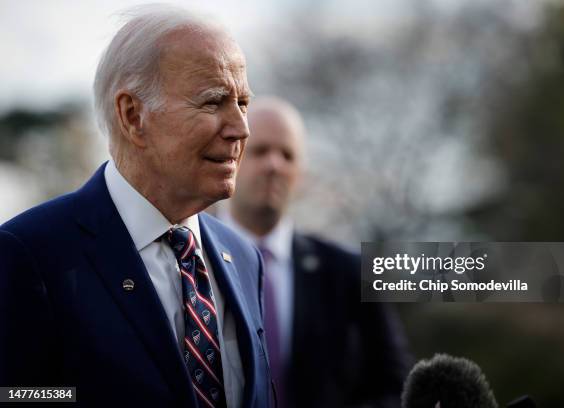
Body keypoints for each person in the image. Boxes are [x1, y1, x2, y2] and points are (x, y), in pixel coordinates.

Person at [0, 5, 271, 408]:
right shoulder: (30, 253)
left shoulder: (244, 258)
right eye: (214, 102)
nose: (240, 128)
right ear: (133, 115)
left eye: (243, 102)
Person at [218, 96, 411, 407]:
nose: (274, 165)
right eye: (260, 150)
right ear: (231, 157)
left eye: (288, 155)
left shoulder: (348, 273)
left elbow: (395, 386)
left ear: (301, 173)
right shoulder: (188, 258)